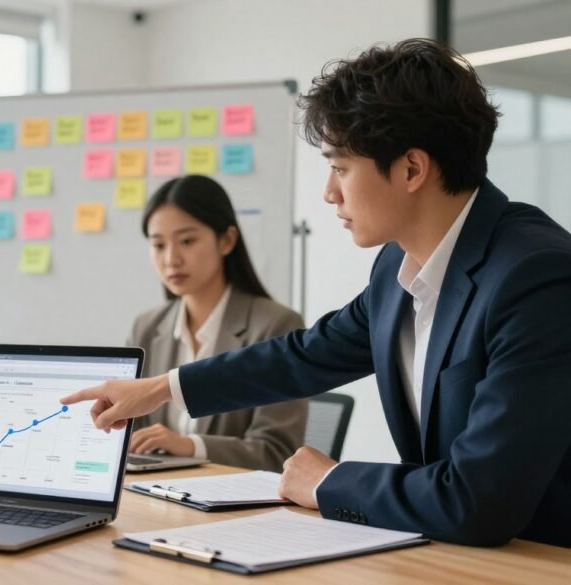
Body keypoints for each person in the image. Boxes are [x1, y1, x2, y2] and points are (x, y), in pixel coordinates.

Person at [62, 38, 571, 547]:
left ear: (412, 169)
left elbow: (477, 500)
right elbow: (304, 356)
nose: (329, 192)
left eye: (341, 167)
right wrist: (158, 388)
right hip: (451, 555)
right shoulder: (397, 265)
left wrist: (327, 481)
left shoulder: (537, 278)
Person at [128, 175, 306, 471]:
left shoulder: (275, 325)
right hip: (157, 497)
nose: (171, 259)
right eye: (158, 245)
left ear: (226, 240)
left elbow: (277, 452)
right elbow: (130, 436)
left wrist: (190, 446)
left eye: (187, 241)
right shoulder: (147, 328)